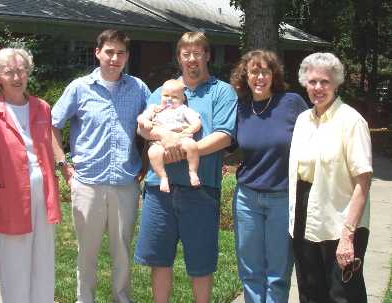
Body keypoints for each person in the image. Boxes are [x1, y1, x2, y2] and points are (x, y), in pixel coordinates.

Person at [134, 31, 238, 303]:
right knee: (159, 260)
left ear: (207, 55)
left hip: (201, 188)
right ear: (179, 57)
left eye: (197, 53)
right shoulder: (162, 91)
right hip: (160, 190)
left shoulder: (222, 92)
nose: (192, 59)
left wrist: (183, 149)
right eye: (186, 54)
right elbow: (144, 129)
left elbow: (225, 135)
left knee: (201, 263)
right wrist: (164, 138)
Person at [51, 29, 150, 303]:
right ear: (97, 53)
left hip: (125, 184)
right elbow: (52, 125)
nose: (114, 58)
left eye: (121, 53)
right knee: (87, 252)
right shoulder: (79, 88)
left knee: (122, 251)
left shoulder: (139, 88)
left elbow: (154, 123)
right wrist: (63, 165)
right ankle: (86, 299)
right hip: (87, 183)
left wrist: (146, 160)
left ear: (127, 56)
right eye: (109, 51)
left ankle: (121, 297)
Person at [289, 52, 373, 302]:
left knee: (343, 293)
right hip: (305, 215)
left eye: (324, 82)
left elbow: (363, 181)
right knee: (310, 290)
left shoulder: (351, 121)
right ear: (305, 83)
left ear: (336, 84)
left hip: (341, 218)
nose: (318, 88)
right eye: (312, 81)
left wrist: (348, 235)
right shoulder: (303, 120)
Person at [0, 48, 61, 303]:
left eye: (21, 70)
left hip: (44, 195)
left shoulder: (42, 107)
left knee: (44, 264)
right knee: (14, 268)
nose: (17, 77)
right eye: (9, 72)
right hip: (10, 199)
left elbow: (48, 147)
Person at [229, 49, 308, 302]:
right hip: (246, 199)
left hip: (282, 199)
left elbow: (316, 134)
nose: (260, 77)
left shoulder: (291, 103)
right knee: (250, 271)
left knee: (278, 273)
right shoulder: (240, 107)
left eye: (265, 71)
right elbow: (224, 141)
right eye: (254, 71)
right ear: (246, 75)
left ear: (274, 75)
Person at [137, 79, 202, 192]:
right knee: (153, 153)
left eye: (175, 97)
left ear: (182, 99)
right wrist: (145, 121)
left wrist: (190, 130)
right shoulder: (155, 108)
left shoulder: (183, 109)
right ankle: (163, 177)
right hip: (159, 141)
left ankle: (193, 172)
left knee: (192, 146)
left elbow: (197, 122)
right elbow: (141, 118)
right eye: (166, 95)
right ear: (161, 95)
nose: (169, 99)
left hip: (181, 137)